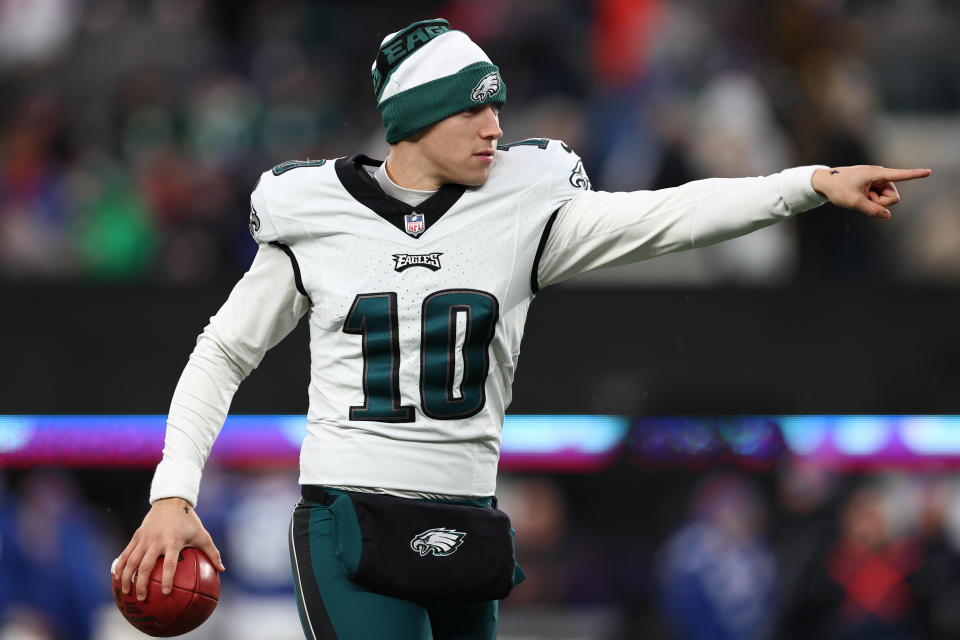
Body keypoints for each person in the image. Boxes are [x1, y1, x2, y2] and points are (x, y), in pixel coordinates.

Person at [112, 18, 931, 640]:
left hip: (469, 520)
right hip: (349, 519)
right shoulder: (315, 212)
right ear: (416, 120)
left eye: (496, 108)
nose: (495, 128)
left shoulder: (523, 204)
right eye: (472, 110)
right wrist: (172, 491)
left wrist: (810, 183)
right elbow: (223, 351)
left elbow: (672, 215)